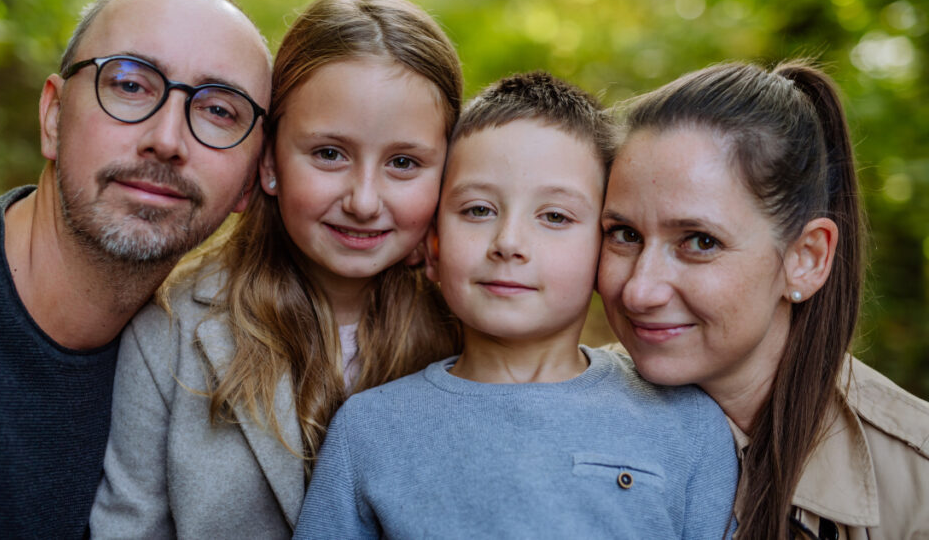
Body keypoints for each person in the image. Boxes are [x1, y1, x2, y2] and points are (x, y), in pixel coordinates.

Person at [294, 71, 739, 539]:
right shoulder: (368, 430)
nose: (508, 243)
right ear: (432, 246)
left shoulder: (686, 423)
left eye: (554, 216)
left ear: (605, 249)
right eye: (479, 210)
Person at [0, 0, 272, 538]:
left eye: (219, 111)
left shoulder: (213, 364)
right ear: (53, 116)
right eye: (129, 85)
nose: (167, 139)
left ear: (251, 181)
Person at [90, 0, 463, 538]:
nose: (363, 200)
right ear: (268, 162)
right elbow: (129, 527)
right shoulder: (169, 331)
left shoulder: (468, 327)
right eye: (329, 154)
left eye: (403, 162)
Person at [597, 61, 929, 538]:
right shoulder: (554, 410)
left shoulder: (915, 482)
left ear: (806, 259)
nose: (639, 290)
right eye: (624, 234)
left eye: (700, 241)